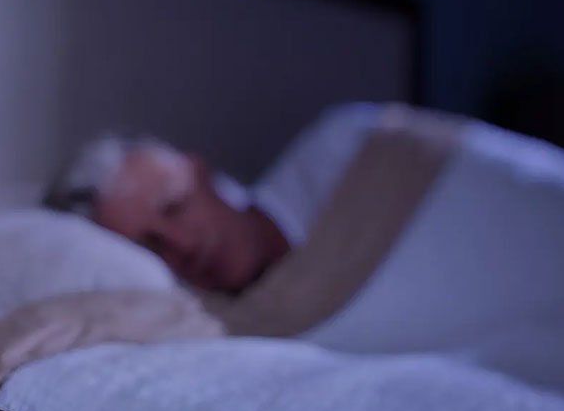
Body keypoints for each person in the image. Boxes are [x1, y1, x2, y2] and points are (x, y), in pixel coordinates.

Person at [44, 102, 385, 292]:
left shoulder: (350, 148)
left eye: (175, 207)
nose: (182, 245)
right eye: (152, 246)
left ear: (199, 172)